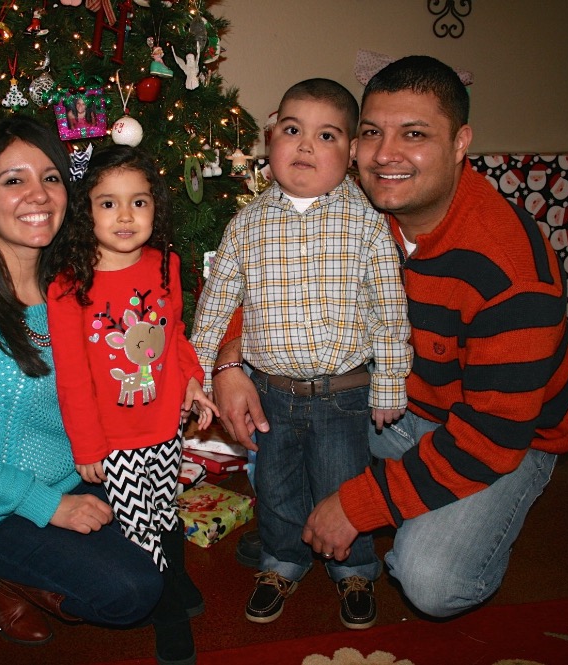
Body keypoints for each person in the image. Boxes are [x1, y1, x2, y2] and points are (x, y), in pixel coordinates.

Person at [214, 55, 568, 620]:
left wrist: (361, 506)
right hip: (388, 400)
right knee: (280, 417)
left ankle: (398, 514)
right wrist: (229, 362)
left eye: (414, 135)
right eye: (372, 134)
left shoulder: (510, 270)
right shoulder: (355, 204)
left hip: (503, 436)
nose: (386, 155)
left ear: (461, 143)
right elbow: (264, 275)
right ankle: (299, 525)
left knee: (431, 581)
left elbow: (492, 434)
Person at [0, 116, 164, 650]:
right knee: (132, 591)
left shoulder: (72, 289)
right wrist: (51, 507)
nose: (37, 195)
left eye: (50, 177)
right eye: (12, 179)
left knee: (165, 539)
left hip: (80, 474)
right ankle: (5, 575)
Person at [190, 78, 412, 631]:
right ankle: (282, 560)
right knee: (276, 486)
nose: (306, 145)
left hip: (344, 392)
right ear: (271, 138)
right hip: (271, 392)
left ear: (353, 152)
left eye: (326, 134)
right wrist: (198, 373)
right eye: (292, 130)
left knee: (343, 481)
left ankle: (355, 569)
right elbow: (217, 303)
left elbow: (389, 306)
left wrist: (389, 384)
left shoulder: (364, 223)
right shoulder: (247, 224)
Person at [47, 145, 219, 665]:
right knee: (140, 531)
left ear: (155, 208)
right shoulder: (68, 286)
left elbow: (175, 335)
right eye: (108, 204)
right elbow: (73, 378)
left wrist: (190, 380)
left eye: (138, 202)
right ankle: (167, 610)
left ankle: (180, 583)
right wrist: (88, 444)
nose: (125, 216)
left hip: (165, 425)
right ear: (86, 211)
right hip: (113, 440)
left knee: (164, 512)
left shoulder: (165, 264)